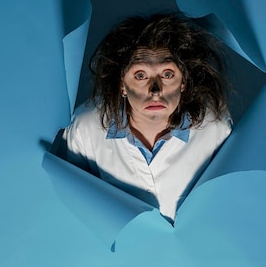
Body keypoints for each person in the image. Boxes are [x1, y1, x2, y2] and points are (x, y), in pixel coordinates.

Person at [62, 13, 232, 223]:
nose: (155, 91)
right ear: (122, 84)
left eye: (167, 74)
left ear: (183, 82)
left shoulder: (215, 127)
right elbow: (74, 202)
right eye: (140, 75)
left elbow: (226, 200)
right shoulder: (86, 126)